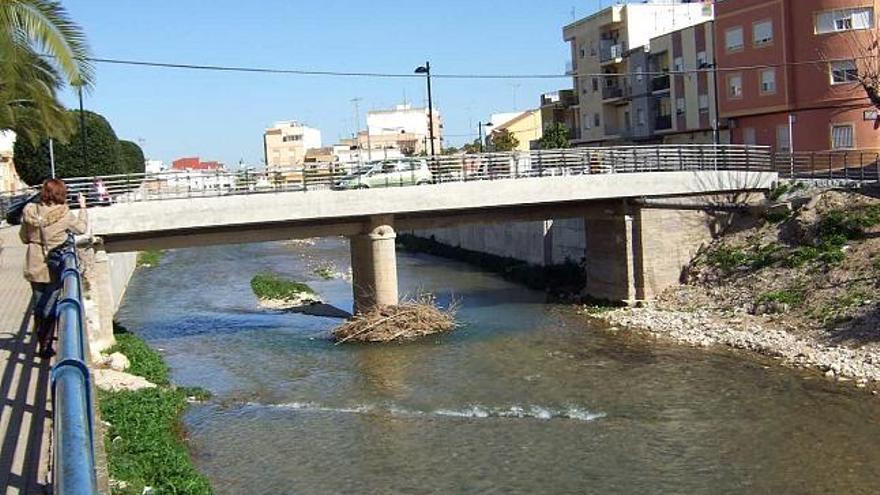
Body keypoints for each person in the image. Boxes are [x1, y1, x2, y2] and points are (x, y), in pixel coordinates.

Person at [19, 179, 87, 358]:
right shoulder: (64, 214)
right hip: (54, 263)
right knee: (50, 304)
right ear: (61, 193)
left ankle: (42, 340)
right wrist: (83, 208)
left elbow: (24, 238)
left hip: (34, 262)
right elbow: (81, 229)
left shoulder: (30, 211)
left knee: (39, 304)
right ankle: (46, 346)